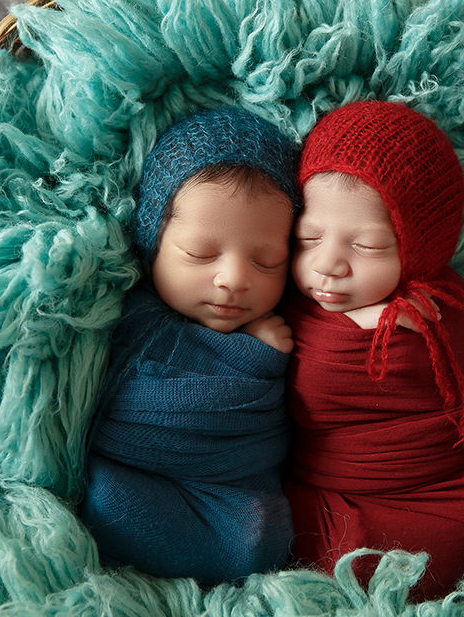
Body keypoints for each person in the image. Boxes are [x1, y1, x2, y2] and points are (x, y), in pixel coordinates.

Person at [283, 101, 464, 600]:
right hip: (329, 485)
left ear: (419, 248)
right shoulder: (286, 295)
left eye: (366, 247)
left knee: (328, 554)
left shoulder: (440, 312)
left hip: (444, 498)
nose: (327, 264)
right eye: (308, 237)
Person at [79, 107, 299, 585]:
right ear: (154, 243)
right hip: (132, 480)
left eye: (267, 261)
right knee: (106, 499)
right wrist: (247, 357)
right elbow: (107, 403)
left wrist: (258, 358)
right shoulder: (125, 315)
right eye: (200, 253)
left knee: (262, 531)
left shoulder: (285, 328)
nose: (234, 279)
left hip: (236, 496)